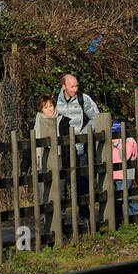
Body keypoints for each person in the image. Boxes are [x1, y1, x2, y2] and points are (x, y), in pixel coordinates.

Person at [55, 74, 99, 221]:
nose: (75, 89)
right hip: (61, 150)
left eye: (76, 85)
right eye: (72, 86)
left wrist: (83, 132)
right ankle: (60, 218)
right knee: (60, 185)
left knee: (82, 183)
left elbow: (96, 117)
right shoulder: (55, 102)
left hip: (79, 148)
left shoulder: (83, 99)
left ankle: (84, 216)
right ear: (64, 87)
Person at [111, 120, 138, 217]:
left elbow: (125, 156)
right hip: (117, 175)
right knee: (122, 197)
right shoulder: (114, 144)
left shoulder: (128, 142)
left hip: (126, 174)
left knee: (126, 196)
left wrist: (118, 145)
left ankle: (132, 216)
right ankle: (129, 217)